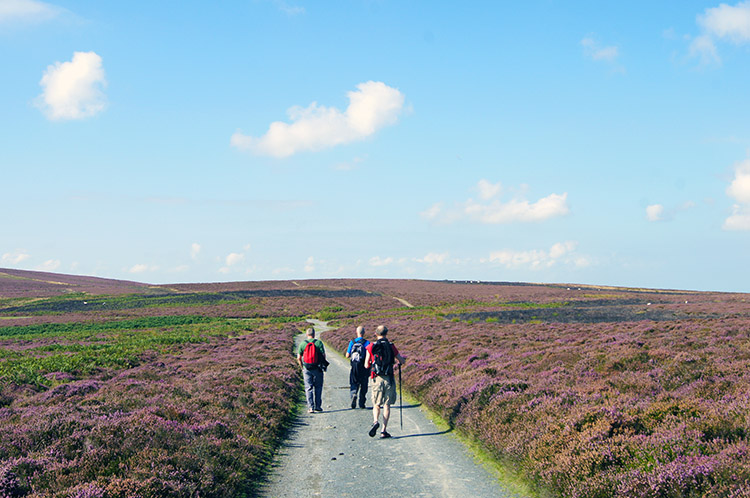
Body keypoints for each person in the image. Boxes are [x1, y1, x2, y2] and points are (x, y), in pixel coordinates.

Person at [364, 325, 405, 439]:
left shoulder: (371, 346)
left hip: (376, 377)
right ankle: (383, 430)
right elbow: (401, 360)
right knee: (387, 405)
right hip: (389, 378)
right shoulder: (391, 346)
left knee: (376, 404)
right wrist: (401, 362)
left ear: (375, 334)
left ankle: (375, 421)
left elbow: (366, 364)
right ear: (386, 334)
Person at [296, 327, 327, 413]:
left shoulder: (302, 344)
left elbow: (299, 358)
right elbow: (324, 356)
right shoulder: (319, 343)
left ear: (307, 334)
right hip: (317, 368)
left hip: (307, 368)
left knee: (308, 388)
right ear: (314, 334)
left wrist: (302, 367)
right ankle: (318, 406)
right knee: (318, 387)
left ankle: (310, 407)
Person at [345, 325, 370, 409]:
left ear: (357, 332)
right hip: (364, 367)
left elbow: (347, 355)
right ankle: (362, 402)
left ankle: (354, 394)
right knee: (364, 384)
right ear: (364, 333)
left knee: (353, 382)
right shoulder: (367, 343)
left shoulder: (352, 342)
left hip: (354, 367)